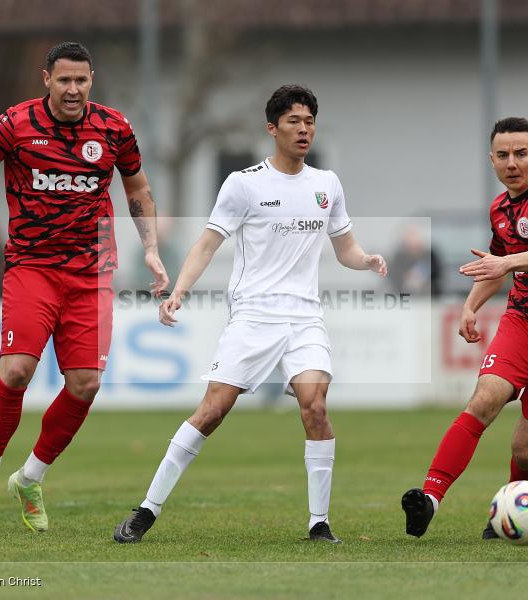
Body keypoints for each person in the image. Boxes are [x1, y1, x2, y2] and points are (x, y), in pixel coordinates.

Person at [0, 42, 168, 532]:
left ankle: (30, 477)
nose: (73, 89)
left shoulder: (114, 128)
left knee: (85, 384)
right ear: (45, 78)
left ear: (92, 81)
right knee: (17, 372)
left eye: (82, 80)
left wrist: (150, 248)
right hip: (32, 267)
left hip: (93, 273)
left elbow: (138, 189)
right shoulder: (14, 125)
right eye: (64, 79)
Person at [111, 85, 387, 545]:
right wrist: (178, 291)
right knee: (213, 410)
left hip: (304, 317)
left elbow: (345, 250)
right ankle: (146, 510)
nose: (304, 130)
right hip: (254, 315)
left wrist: (368, 260)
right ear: (272, 128)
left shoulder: (327, 184)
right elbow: (207, 243)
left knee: (315, 406)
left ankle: (319, 523)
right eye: (294, 122)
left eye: (310, 121)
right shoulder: (244, 184)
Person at [401, 117, 528, 540]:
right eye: (503, 155)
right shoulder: (500, 209)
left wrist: (509, 263)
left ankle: (515, 506)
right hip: (524, 323)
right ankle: (430, 499)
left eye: (521, 153)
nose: (512, 162)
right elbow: (494, 266)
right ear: (491, 159)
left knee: (525, 448)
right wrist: (470, 306)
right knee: (484, 399)